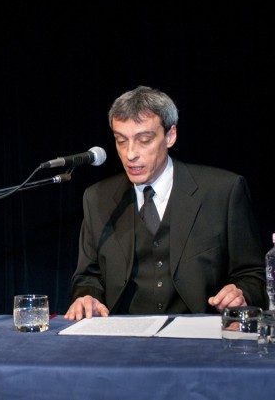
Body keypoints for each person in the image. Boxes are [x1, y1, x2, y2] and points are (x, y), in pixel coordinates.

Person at [64, 85, 268, 321]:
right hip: (122, 334)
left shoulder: (223, 192)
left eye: (144, 140)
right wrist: (87, 296)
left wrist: (242, 294)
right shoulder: (97, 198)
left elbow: (252, 276)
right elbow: (87, 277)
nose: (130, 154)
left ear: (170, 136)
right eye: (121, 141)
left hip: (200, 333)